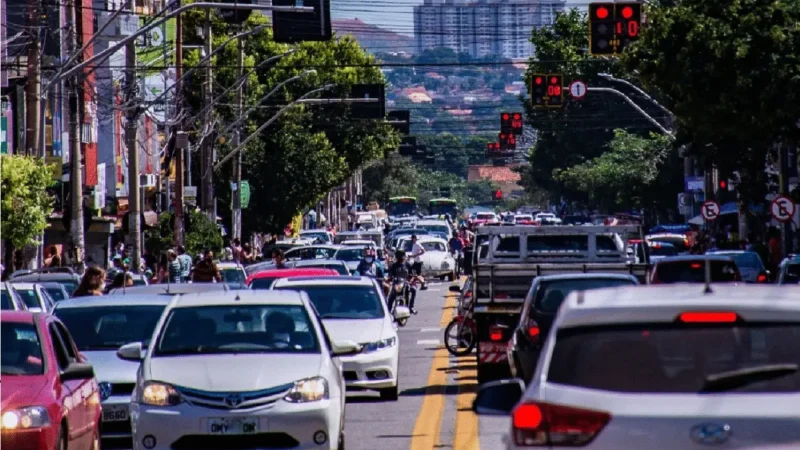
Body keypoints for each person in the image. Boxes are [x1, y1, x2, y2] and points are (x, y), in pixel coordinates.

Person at [387, 250, 418, 314]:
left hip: (405, 283)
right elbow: (390, 275)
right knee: (391, 296)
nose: (401, 259)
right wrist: (389, 279)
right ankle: (388, 311)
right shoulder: (394, 265)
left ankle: (411, 307)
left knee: (413, 290)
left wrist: (410, 280)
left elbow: (412, 274)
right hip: (396, 284)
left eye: (401, 257)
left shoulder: (407, 264)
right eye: (399, 257)